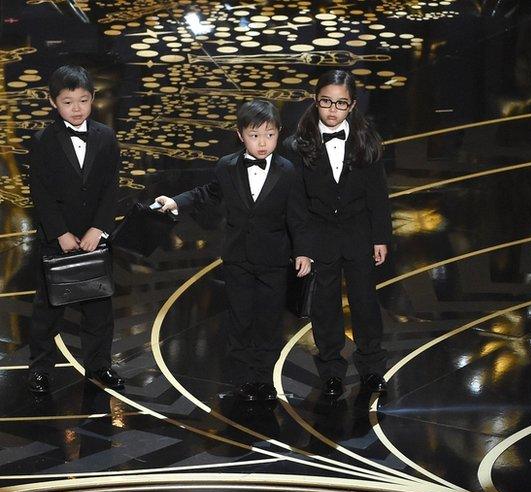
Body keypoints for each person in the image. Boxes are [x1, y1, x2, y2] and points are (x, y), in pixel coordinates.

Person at [155, 100, 312, 405]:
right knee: (239, 320)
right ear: (241, 135)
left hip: (274, 260)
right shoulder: (227, 166)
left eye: (269, 135)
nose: (262, 142)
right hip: (238, 258)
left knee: (268, 322)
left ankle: (264, 380)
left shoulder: (288, 170)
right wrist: (176, 201)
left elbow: (298, 215)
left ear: (279, 133)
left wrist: (303, 252)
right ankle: (242, 380)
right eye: (255, 135)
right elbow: (208, 193)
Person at [282, 69, 392, 400]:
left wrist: (381, 237)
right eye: (326, 102)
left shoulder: (366, 140)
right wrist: (301, 248)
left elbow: (378, 194)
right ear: (315, 101)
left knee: (365, 302)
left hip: (358, 233)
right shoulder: (296, 145)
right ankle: (331, 369)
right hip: (319, 237)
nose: (332, 110)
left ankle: (372, 367)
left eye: (341, 104)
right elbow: (295, 205)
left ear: (352, 105)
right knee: (324, 307)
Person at [27, 65, 123, 395]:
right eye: (68, 102)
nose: (77, 109)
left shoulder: (106, 137)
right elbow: (39, 193)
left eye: (83, 100)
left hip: (94, 238)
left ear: (93, 99)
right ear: (54, 102)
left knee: (99, 309)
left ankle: (98, 367)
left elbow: (112, 187)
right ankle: (39, 370)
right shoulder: (43, 140)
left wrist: (99, 228)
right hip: (58, 239)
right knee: (48, 309)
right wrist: (60, 233)